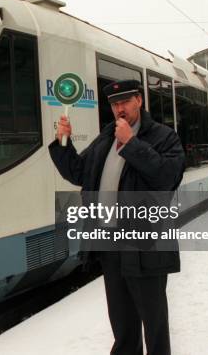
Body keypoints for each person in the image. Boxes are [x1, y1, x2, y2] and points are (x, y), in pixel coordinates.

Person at [48, 79, 185, 355]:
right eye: (114, 104)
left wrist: (131, 144)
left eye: (124, 101)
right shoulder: (105, 138)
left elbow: (166, 178)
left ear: (139, 101)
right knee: (122, 321)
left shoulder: (163, 136)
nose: (119, 108)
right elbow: (78, 172)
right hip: (111, 241)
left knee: (153, 321)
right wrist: (63, 142)